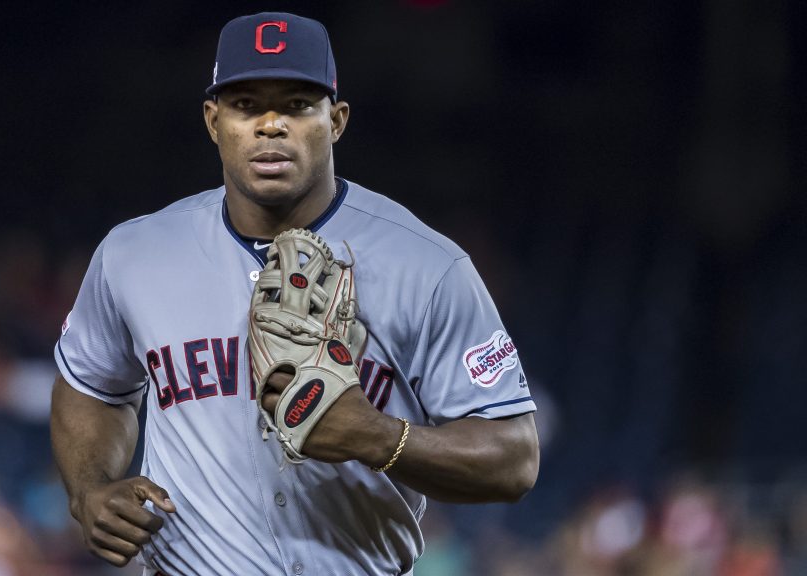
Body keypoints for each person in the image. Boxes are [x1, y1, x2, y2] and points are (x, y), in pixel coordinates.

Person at [50, 12, 539, 576]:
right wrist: (90, 488)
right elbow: (90, 384)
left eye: (299, 104)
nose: (271, 124)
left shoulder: (427, 265)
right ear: (213, 120)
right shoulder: (134, 254)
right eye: (247, 105)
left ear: (337, 120)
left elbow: (515, 461)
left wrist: (380, 437)